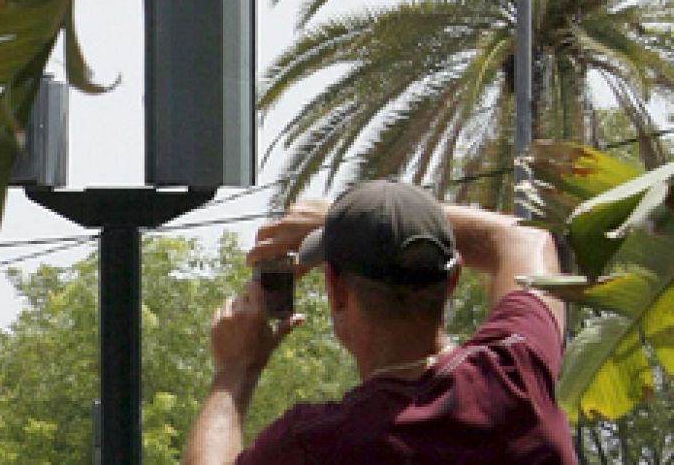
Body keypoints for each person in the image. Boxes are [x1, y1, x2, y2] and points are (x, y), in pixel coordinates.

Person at [183, 178, 576, 464]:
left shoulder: (317, 444)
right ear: (453, 280)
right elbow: (523, 238)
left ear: (336, 290)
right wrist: (347, 219)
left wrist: (235, 371)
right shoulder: (517, 372)